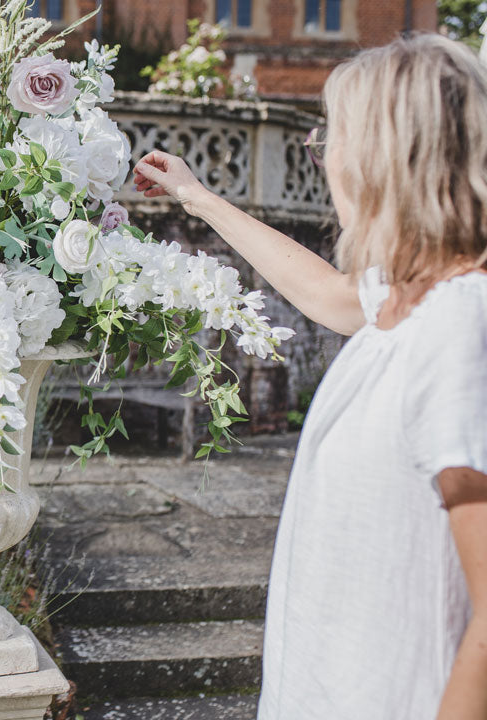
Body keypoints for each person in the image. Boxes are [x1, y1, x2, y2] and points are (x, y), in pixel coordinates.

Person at [132, 33, 487, 720]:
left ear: (387, 160)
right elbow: (328, 294)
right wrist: (196, 196)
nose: (324, 162)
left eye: (331, 140)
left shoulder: (461, 323)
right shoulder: (408, 297)